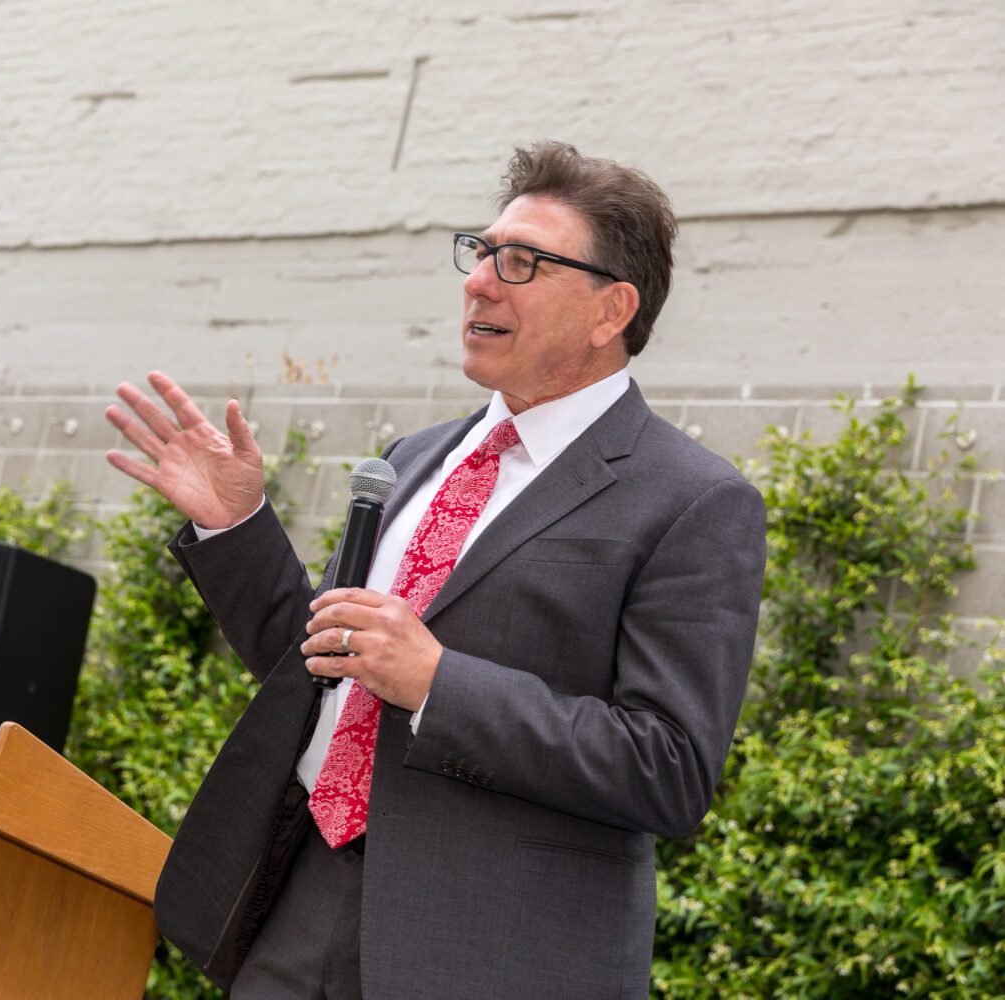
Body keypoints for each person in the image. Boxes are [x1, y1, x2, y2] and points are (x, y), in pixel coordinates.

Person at [103, 141, 766, 1000]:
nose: (480, 281)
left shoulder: (693, 501)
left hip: (489, 949)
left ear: (612, 310)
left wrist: (439, 683)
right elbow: (319, 664)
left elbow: (668, 768)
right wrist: (235, 526)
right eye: (481, 252)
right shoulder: (413, 460)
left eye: (522, 262)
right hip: (302, 902)